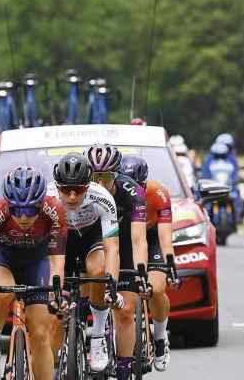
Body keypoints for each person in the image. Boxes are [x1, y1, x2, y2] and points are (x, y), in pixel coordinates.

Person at [0, 166, 66, 380]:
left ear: (41, 204)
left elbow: (57, 262)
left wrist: (56, 294)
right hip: (5, 260)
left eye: (31, 210)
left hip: (38, 262)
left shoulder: (54, 210)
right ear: (8, 204)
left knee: (41, 334)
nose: (24, 217)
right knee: (0, 293)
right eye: (16, 210)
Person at [54, 152, 122, 373]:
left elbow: (112, 247)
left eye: (79, 191)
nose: (72, 197)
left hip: (90, 238)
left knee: (98, 269)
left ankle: (98, 335)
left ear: (88, 185)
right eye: (65, 190)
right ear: (57, 187)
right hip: (61, 239)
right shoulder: (46, 198)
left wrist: (111, 282)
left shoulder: (102, 197)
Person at [86, 143, 147, 380]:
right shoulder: (79, 192)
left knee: (125, 311)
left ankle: (124, 368)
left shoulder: (131, 191)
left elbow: (139, 239)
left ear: (117, 174)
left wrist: (140, 272)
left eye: (107, 176)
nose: (100, 184)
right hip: (93, 243)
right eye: (95, 176)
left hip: (123, 242)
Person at [119, 155, 176, 372]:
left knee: (156, 288)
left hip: (152, 238)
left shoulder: (158, 192)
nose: (134, 191)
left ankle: (160, 338)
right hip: (128, 238)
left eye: (139, 186)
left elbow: (164, 235)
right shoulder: (116, 193)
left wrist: (169, 260)